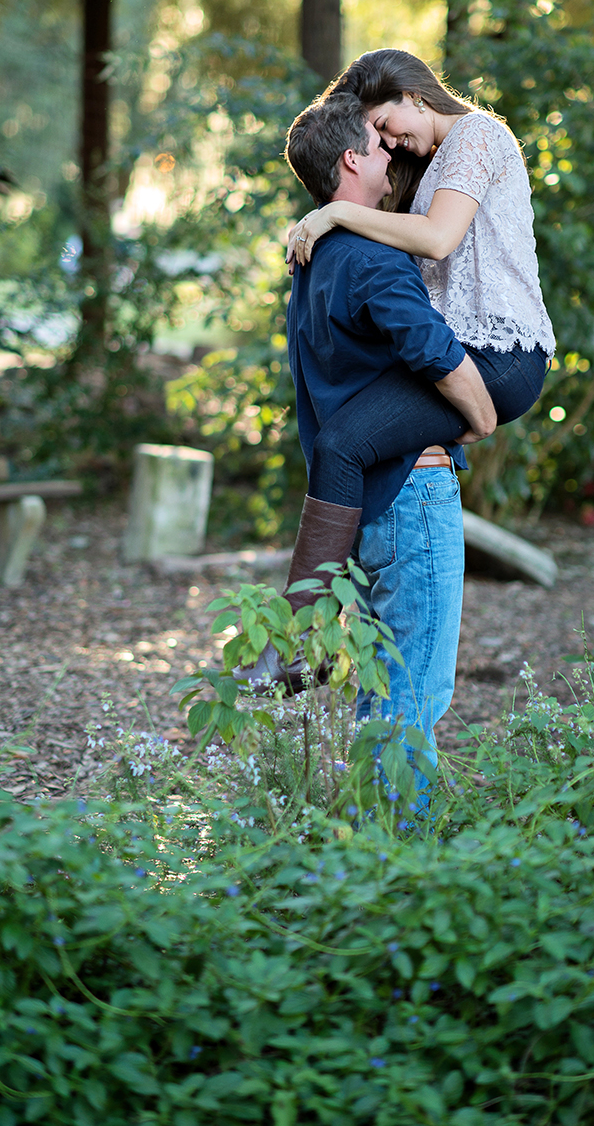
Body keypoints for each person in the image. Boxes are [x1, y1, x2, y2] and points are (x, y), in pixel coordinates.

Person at [239, 92, 495, 777]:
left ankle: (367, 858)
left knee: (383, 692)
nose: (393, 154)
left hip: (361, 510)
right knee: (410, 700)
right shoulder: (373, 257)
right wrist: (481, 412)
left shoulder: (312, 255)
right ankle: (401, 869)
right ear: (352, 159)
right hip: (411, 494)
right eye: (380, 146)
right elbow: (433, 348)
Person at [284, 46, 555, 539]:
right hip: (462, 351)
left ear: (413, 94)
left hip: (502, 352)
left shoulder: (477, 133)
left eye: (385, 124)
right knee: (345, 440)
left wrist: (335, 214)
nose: (389, 143)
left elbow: (436, 237)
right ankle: (342, 600)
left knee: (342, 444)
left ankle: (310, 607)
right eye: (377, 137)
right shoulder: (432, 164)